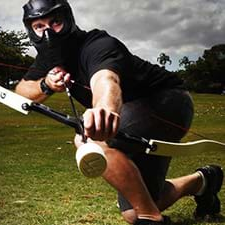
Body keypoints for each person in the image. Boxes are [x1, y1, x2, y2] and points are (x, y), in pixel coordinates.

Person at [15, 0, 224, 224]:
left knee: (87, 138)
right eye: (39, 26)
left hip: (167, 103)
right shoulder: (48, 61)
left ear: (68, 20)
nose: (48, 32)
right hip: (133, 119)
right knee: (132, 211)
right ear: (32, 31)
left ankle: (151, 219)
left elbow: (106, 79)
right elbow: (22, 90)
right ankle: (204, 181)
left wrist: (104, 110)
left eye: (55, 22)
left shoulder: (99, 45)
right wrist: (46, 84)